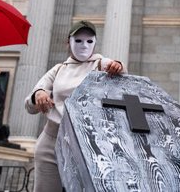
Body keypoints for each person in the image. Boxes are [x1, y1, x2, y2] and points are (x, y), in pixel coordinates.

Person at [25, 20, 124, 192]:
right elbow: (30, 104)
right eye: (78, 40)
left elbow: (121, 75)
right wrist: (39, 95)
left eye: (89, 41)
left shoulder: (100, 64)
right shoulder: (58, 69)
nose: (84, 45)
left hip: (89, 142)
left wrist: (118, 67)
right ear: (69, 42)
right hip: (52, 141)